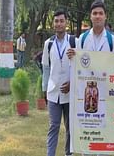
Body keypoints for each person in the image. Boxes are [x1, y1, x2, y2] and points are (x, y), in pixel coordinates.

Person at [67, 1, 114, 156]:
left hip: (106, 95)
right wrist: (72, 56)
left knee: (104, 139)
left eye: (100, 13)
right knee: (89, 139)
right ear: (90, 17)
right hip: (88, 94)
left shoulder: (113, 41)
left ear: (105, 17)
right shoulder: (82, 39)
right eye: (94, 13)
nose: (98, 16)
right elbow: (78, 66)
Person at [42, 10, 74, 156]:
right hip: (53, 92)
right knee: (53, 126)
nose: (59, 24)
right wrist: (44, 90)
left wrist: (72, 83)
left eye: (61, 21)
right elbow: (46, 69)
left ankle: (68, 154)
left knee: (70, 128)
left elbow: (81, 67)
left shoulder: (75, 42)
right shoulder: (48, 44)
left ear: (66, 23)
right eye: (56, 21)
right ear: (53, 24)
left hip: (70, 93)